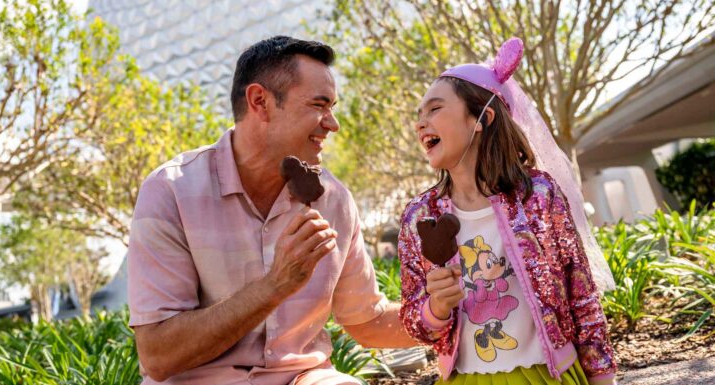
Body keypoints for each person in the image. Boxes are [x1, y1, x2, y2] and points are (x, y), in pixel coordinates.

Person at [127, 35, 414, 385]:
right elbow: (158, 355)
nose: (332, 123)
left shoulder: (334, 199)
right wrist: (276, 285)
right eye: (319, 105)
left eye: (333, 107)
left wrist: (454, 313)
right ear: (260, 101)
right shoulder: (170, 191)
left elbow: (367, 321)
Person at [398, 37, 617, 385]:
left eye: (435, 109)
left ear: (481, 118)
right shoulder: (419, 217)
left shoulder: (538, 195)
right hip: (465, 379)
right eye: (418, 115)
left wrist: (603, 378)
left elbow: (582, 295)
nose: (420, 123)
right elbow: (413, 321)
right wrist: (436, 307)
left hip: (550, 376)